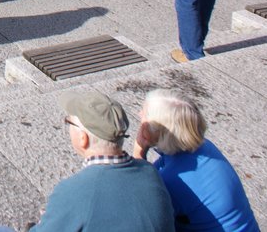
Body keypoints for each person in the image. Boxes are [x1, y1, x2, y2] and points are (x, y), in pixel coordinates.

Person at [28, 90, 175, 231]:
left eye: (69, 121)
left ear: (83, 138)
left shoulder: (73, 192)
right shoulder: (150, 172)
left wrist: (51, 217)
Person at [133, 89, 260, 232]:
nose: (139, 114)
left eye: (145, 115)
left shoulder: (173, 181)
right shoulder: (204, 146)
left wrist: (138, 152)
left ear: (159, 132)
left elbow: (137, 206)